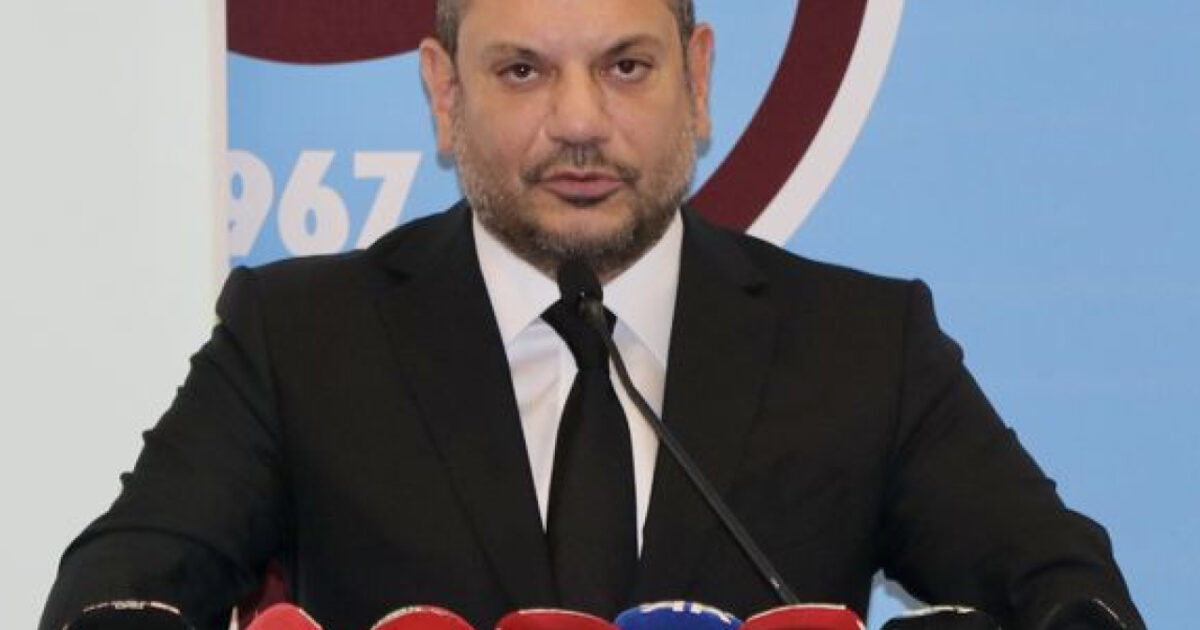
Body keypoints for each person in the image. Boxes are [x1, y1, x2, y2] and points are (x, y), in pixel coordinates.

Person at [41, 1, 1145, 629]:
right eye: (523, 71)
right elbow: (113, 594)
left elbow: (1072, 596)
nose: (579, 122)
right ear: (444, 93)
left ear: (698, 80)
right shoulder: (300, 338)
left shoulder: (863, 346)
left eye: (625, 67)